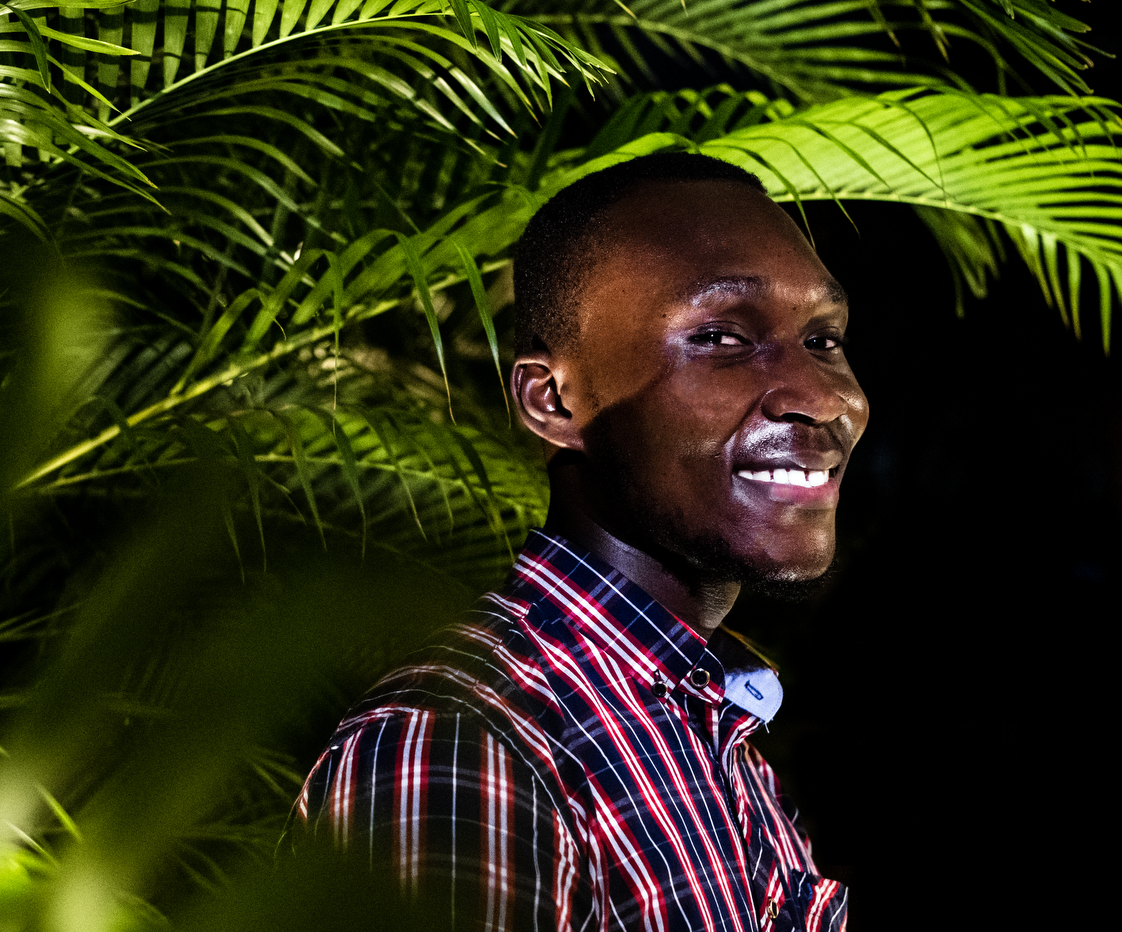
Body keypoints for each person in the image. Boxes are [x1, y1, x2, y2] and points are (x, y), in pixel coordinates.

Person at [290, 152, 867, 931]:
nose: (825, 397)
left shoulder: (703, 725)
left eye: (824, 340)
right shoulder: (467, 747)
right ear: (553, 400)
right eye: (722, 337)